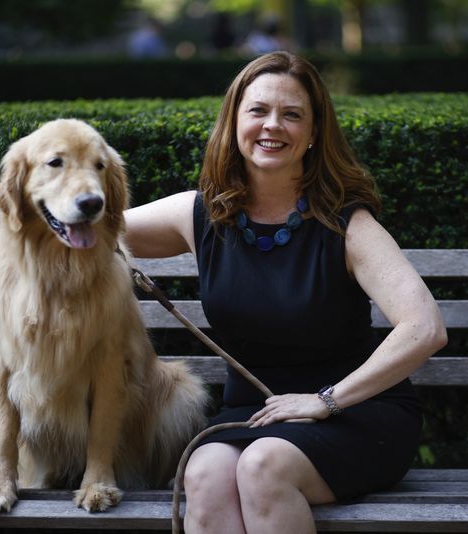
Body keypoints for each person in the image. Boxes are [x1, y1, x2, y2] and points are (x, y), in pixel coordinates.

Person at [124, 51, 447, 534]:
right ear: (234, 120)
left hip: (356, 414)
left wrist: (324, 400)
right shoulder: (201, 215)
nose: (272, 125)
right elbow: (97, 230)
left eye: (292, 114)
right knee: (204, 474)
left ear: (314, 133)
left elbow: (425, 328)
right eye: (257, 110)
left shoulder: (346, 225)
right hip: (256, 412)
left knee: (263, 467)